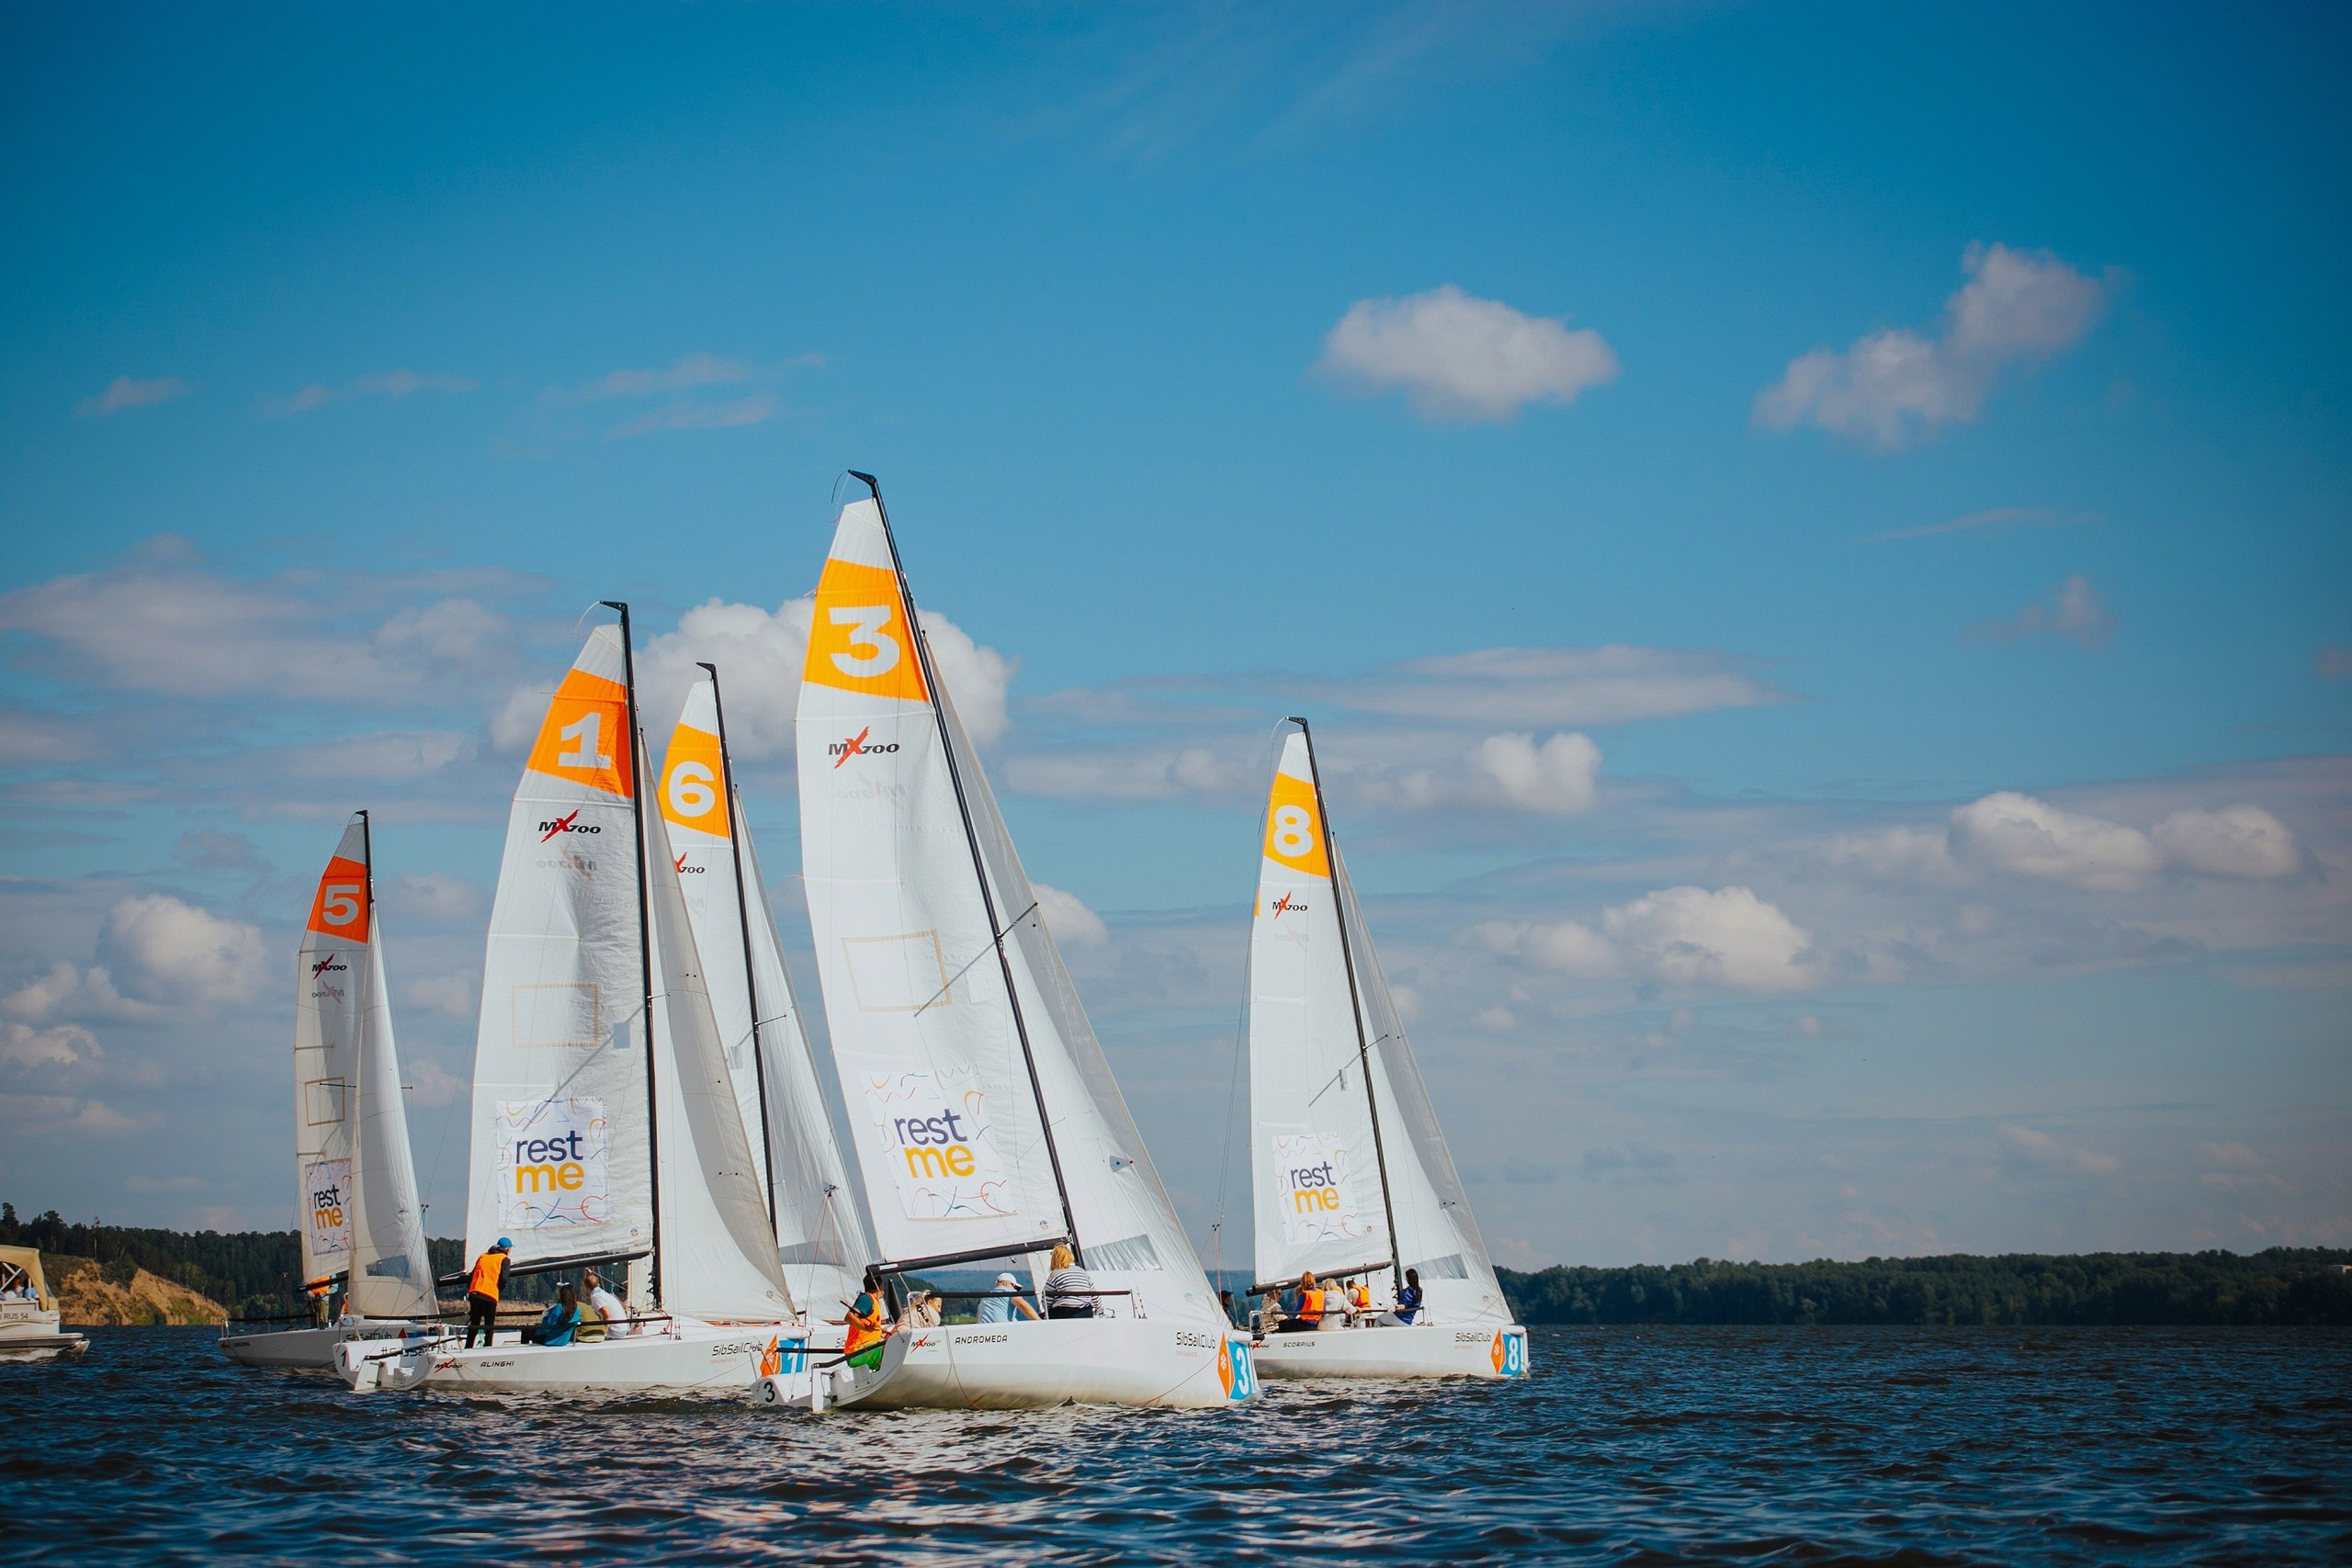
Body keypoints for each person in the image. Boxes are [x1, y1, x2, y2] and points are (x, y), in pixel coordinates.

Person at [828, 1268, 893, 1371]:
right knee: (893, 1346)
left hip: (865, 1350)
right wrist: (866, 1328)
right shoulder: (867, 1299)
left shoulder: (873, 1302)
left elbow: (870, 1329)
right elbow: (849, 1317)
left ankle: (883, 1374)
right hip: (856, 1352)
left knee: (892, 1341)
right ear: (880, 1287)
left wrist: (882, 1332)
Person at [464, 1237, 512, 1348]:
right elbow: (504, 1279)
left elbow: (472, 1275)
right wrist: (498, 1290)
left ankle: (468, 1348)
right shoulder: (504, 1259)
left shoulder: (483, 1256)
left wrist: (470, 1290)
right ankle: (487, 1349)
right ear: (507, 1249)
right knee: (489, 1326)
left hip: (475, 1293)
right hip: (489, 1294)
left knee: (474, 1325)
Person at [1042, 1243, 1097, 1319]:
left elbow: (1046, 1299)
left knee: (1038, 1318)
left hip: (1064, 1313)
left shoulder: (1055, 1274)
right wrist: (1099, 1310)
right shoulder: (1082, 1271)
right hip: (1085, 1312)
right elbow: (1094, 1294)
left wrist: (1047, 1311)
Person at [527, 1283, 582, 1347]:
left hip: (549, 1339)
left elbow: (547, 1327)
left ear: (561, 1295)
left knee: (526, 1330)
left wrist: (541, 1323)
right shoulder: (577, 1310)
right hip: (564, 1340)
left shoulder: (558, 1308)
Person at [976, 1271, 1041, 1324]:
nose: (1016, 1290)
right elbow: (1022, 1305)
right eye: (1015, 1287)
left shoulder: (985, 1297)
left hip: (983, 1333)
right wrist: (1040, 1322)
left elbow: (978, 1317)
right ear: (1006, 1284)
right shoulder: (1010, 1291)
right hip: (1002, 1332)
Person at [582, 1268, 629, 1339]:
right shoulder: (603, 1294)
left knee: (588, 1334)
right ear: (598, 1284)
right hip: (623, 1328)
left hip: (616, 1331)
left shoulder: (596, 1297)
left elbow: (607, 1315)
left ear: (587, 1288)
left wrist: (604, 1333)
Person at [1278, 1270, 1324, 1334]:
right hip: (1316, 1323)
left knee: (1282, 1324)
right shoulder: (1320, 1292)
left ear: (1303, 1283)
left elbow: (1296, 1311)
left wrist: (1289, 1318)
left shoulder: (1304, 1294)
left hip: (1305, 1324)